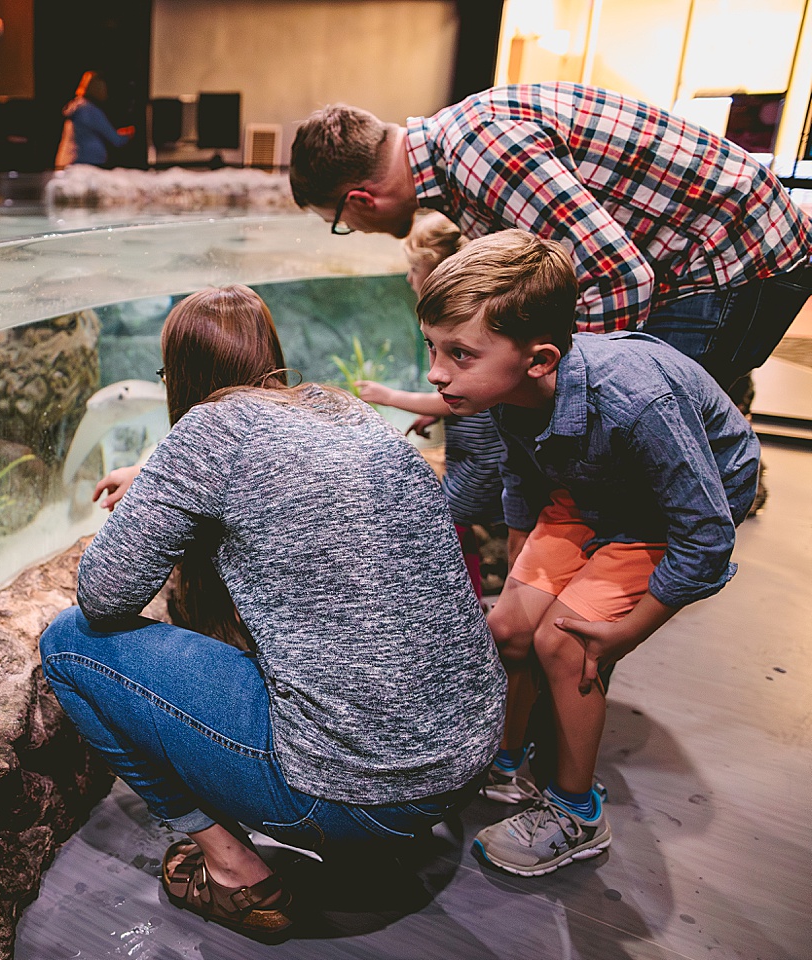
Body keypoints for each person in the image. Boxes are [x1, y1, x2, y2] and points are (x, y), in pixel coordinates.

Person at [40, 285, 505, 940]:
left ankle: (233, 873)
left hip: (356, 799)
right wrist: (162, 479)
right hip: (462, 765)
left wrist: (161, 485)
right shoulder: (344, 414)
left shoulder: (209, 431)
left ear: (179, 377)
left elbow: (104, 593)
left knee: (68, 644)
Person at [415, 230, 758, 877]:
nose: (436, 373)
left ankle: (577, 811)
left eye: (459, 353)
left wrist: (622, 633)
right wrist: (524, 561)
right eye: (433, 347)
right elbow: (524, 474)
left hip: (665, 510)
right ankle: (505, 760)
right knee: (509, 626)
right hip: (589, 484)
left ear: (540, 359)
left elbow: (706, 534)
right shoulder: (507, 391)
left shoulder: (636, 401)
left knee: (567, 642)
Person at [288, 82, 812, 393]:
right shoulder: (458, 150)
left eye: (342, 222)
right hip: (707, 258)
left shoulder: (478, 152)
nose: (354, 230)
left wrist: (564, 388)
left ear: (360, 200)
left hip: (735, 256)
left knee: (634, 434)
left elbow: (616, 279)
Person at [355, 211, 504, 600]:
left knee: (448, 522)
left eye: (413, 268)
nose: (408, 277)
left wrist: (389, 397)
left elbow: (458, 397)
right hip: (470, 454)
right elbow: (452, 398)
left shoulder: (462, 325)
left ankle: (461, 599)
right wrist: (431, 410)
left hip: (480, 459)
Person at [56, 71, 134, 168]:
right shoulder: (90, 110)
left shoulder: (76, 106)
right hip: (85, 165)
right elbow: (116, 140)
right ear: (97, 89)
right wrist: (129, 134)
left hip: (68, 161)